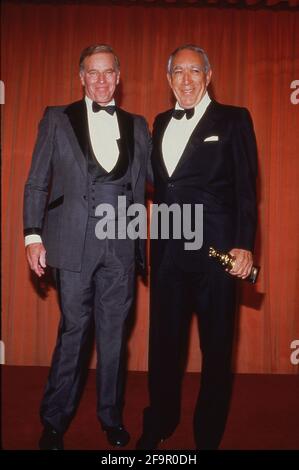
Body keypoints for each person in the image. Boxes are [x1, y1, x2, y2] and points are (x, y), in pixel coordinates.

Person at [24, 44, 150, 450]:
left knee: (114, 335)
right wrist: (32, 235)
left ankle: (110, 417)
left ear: (119, 77)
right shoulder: (56, 119)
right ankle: (55, 421)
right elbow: (37, 182)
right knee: (74, 332)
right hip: (72, 243)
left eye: (108, 72)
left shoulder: (139, 125)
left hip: (121, 246)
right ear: (81, 77)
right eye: (92, 73)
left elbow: (160, 179)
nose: (100, 80)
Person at [137, 44, 258, 450]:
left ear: (208, 76)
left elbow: (246, 190)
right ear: (168, 79)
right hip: (169, 252)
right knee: (164, 346)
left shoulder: (234, 119)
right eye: (177, 72)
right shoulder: (159, 120)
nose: (186, 80)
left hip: (216, 255)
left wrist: (244, 244)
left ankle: (207, 435)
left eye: (194, 71)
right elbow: (161, 183)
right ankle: (160, 421)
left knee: (217, 349)